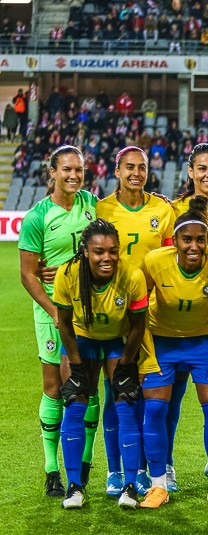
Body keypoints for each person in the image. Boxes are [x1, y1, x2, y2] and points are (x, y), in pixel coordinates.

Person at [138, 197, 208, 509]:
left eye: (200, 239)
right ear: (175, 240)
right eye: (187, 239)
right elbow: (138, 312)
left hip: (203, 343)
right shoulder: (154, 262)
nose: (194, 246)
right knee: (155, 410)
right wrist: (146, 355)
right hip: (162, 343)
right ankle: (158, 486)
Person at [18, 145, 99, 499]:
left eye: (78, 169)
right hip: (52, 311)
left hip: (88, 310)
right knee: (54, 387)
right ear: (52, 172)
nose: (73, 175)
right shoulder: (37, 217)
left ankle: (84, 462)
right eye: (66, 169)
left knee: (88, 387)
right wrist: (53, 311)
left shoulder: (92, 204)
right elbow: (27, 274)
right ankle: (52, 469)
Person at [53, 219, 149, 509]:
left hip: (118, 341)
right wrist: (76, 365)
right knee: (75, 402)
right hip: (82, 340)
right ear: (85, 251)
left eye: (112, 251)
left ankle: (129, 486)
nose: (107, 258)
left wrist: (126, 365)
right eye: (99, 251)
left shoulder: (132, 275)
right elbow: (64, 323)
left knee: (125, 403)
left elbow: (138, 325)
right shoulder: (67, 274)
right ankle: (74, 486)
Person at [96, 146, 174, 497]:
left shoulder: (162, 209)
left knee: (147, 393)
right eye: (129, 167)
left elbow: (170, 257)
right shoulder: (102, 209)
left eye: (141, 167)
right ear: (117, 171)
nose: (136, 173)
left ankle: (141, 469)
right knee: (115, 392)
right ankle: (114, 471)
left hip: (152, 314)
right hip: (113, 314)